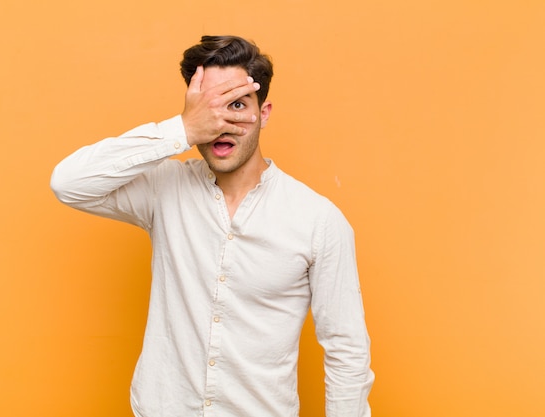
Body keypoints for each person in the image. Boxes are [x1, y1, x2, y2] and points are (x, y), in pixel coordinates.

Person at [51, 35, 374, 417]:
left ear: (264, 112)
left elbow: (346, 350)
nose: (221, 122)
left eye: (237, 105)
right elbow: (69, 183)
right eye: (208, 107)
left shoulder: (318, 220)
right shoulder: (163, 191)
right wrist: (182, 130)